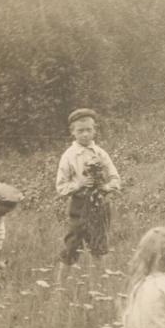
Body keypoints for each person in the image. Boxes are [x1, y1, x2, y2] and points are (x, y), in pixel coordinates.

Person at [55, 108, 121, 284]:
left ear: (95, 130)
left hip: (99, 205)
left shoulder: (100, 153)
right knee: (71, 246)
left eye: (88, 130)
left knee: (99, 247)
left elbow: (115, 177)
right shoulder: (69, 156)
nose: (85, 134)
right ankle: (59, 289)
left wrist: (106, 187)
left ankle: (99, 286)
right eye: (80, 131)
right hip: (79, 206)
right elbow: (60, 187)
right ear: (72, 132)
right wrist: (79, 185)